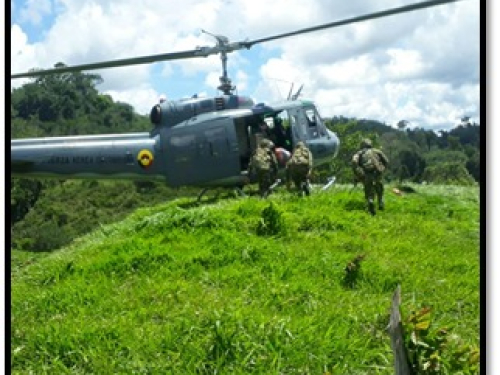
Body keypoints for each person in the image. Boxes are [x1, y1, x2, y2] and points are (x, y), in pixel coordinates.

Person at [351, 138, 389, 215]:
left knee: (368, 191)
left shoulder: (359, 153)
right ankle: (380, 202)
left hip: (367, 173)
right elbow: (386, 161)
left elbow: (354, 161)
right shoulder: (377, 151)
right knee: (379, 188)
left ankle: (370, 201)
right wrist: (382, 169)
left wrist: (358, 172)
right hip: (377, 173)